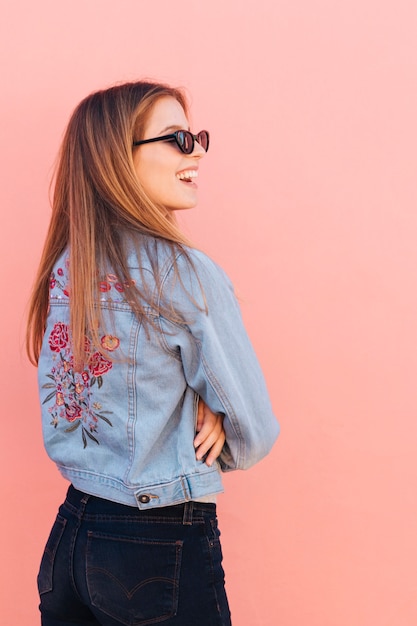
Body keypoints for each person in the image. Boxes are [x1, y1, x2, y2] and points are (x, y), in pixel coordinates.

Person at [26, 80, 279, 626]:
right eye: (179, 139)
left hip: (72, 536)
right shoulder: (183, 272)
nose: (200, 152)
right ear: (119, 157)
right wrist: (206, 424)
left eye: (198, 137)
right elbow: (253, 433)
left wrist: (187, 403)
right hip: (156, 543)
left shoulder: (69, 266)